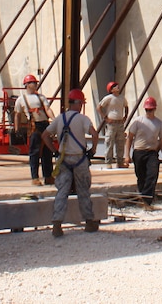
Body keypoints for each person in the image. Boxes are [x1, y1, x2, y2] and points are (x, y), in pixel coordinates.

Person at [41, 88, 100, 238]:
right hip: (79, 159)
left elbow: (45, 135)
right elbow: (94, 134)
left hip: (63, 159)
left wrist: (54, 150)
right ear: (79, 103)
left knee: (62, 191)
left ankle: (57, 223)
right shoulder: (83, 119)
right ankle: (89, 221)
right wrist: (93, 150)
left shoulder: (60, 119)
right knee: (83, 190)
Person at [124, 96, 162, 208]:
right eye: (147, 110)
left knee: (152, 175)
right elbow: (129, 138)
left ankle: (147, 200)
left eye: (151, 109)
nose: (149, 112)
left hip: (152, 152)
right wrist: (126, 155)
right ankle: (143, 198)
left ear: (154, 109)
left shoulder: (159, 123)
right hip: (139, 152)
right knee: (141, 176)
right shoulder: (138, 122)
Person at [14, 74, 55, 186]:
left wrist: (54, 120)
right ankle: (35, 177)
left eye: (36, 83)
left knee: (47, 152)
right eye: (33, 83)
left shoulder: (41, 97)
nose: (35, 85)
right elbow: (17, 115)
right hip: (34, 127)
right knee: (35, 152)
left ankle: (48, 176)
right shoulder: (21, 99)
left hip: (45, 125)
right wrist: (16, 129)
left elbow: (47, 109)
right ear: (27, 85)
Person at [97, 80, 128, 168]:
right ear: (111, 90)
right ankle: (108, 162)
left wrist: (125, 116)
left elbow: (126, 106)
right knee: (109, 142)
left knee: (120, 142)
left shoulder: (122, 98)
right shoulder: (108, 98)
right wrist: (105, 117)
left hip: (120, 123)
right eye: (114, 86)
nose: (117, 87)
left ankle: (120, 162)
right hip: (111, 123)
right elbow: (99, 107)